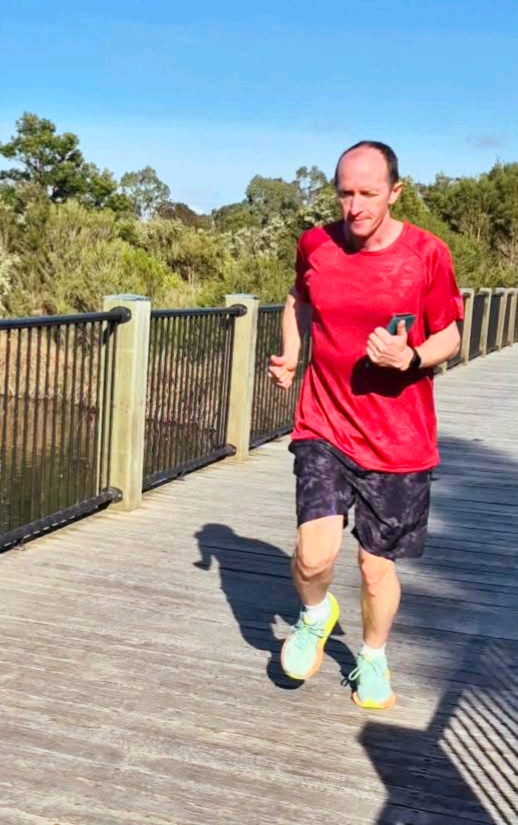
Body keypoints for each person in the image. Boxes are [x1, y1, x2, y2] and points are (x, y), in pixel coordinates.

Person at [268, 141, 463, 709]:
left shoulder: (426, 254)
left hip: (399, 440)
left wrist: (412, 357)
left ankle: (373, 657)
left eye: (368, 194)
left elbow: (451, 334)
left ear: (395, 192)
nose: (355, 207)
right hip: (324, 422)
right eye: (345, 193)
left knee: (375, 570)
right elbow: (298, 298)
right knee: (313, 556)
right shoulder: (316, 244)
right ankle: (315, 613)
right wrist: (291, 353)